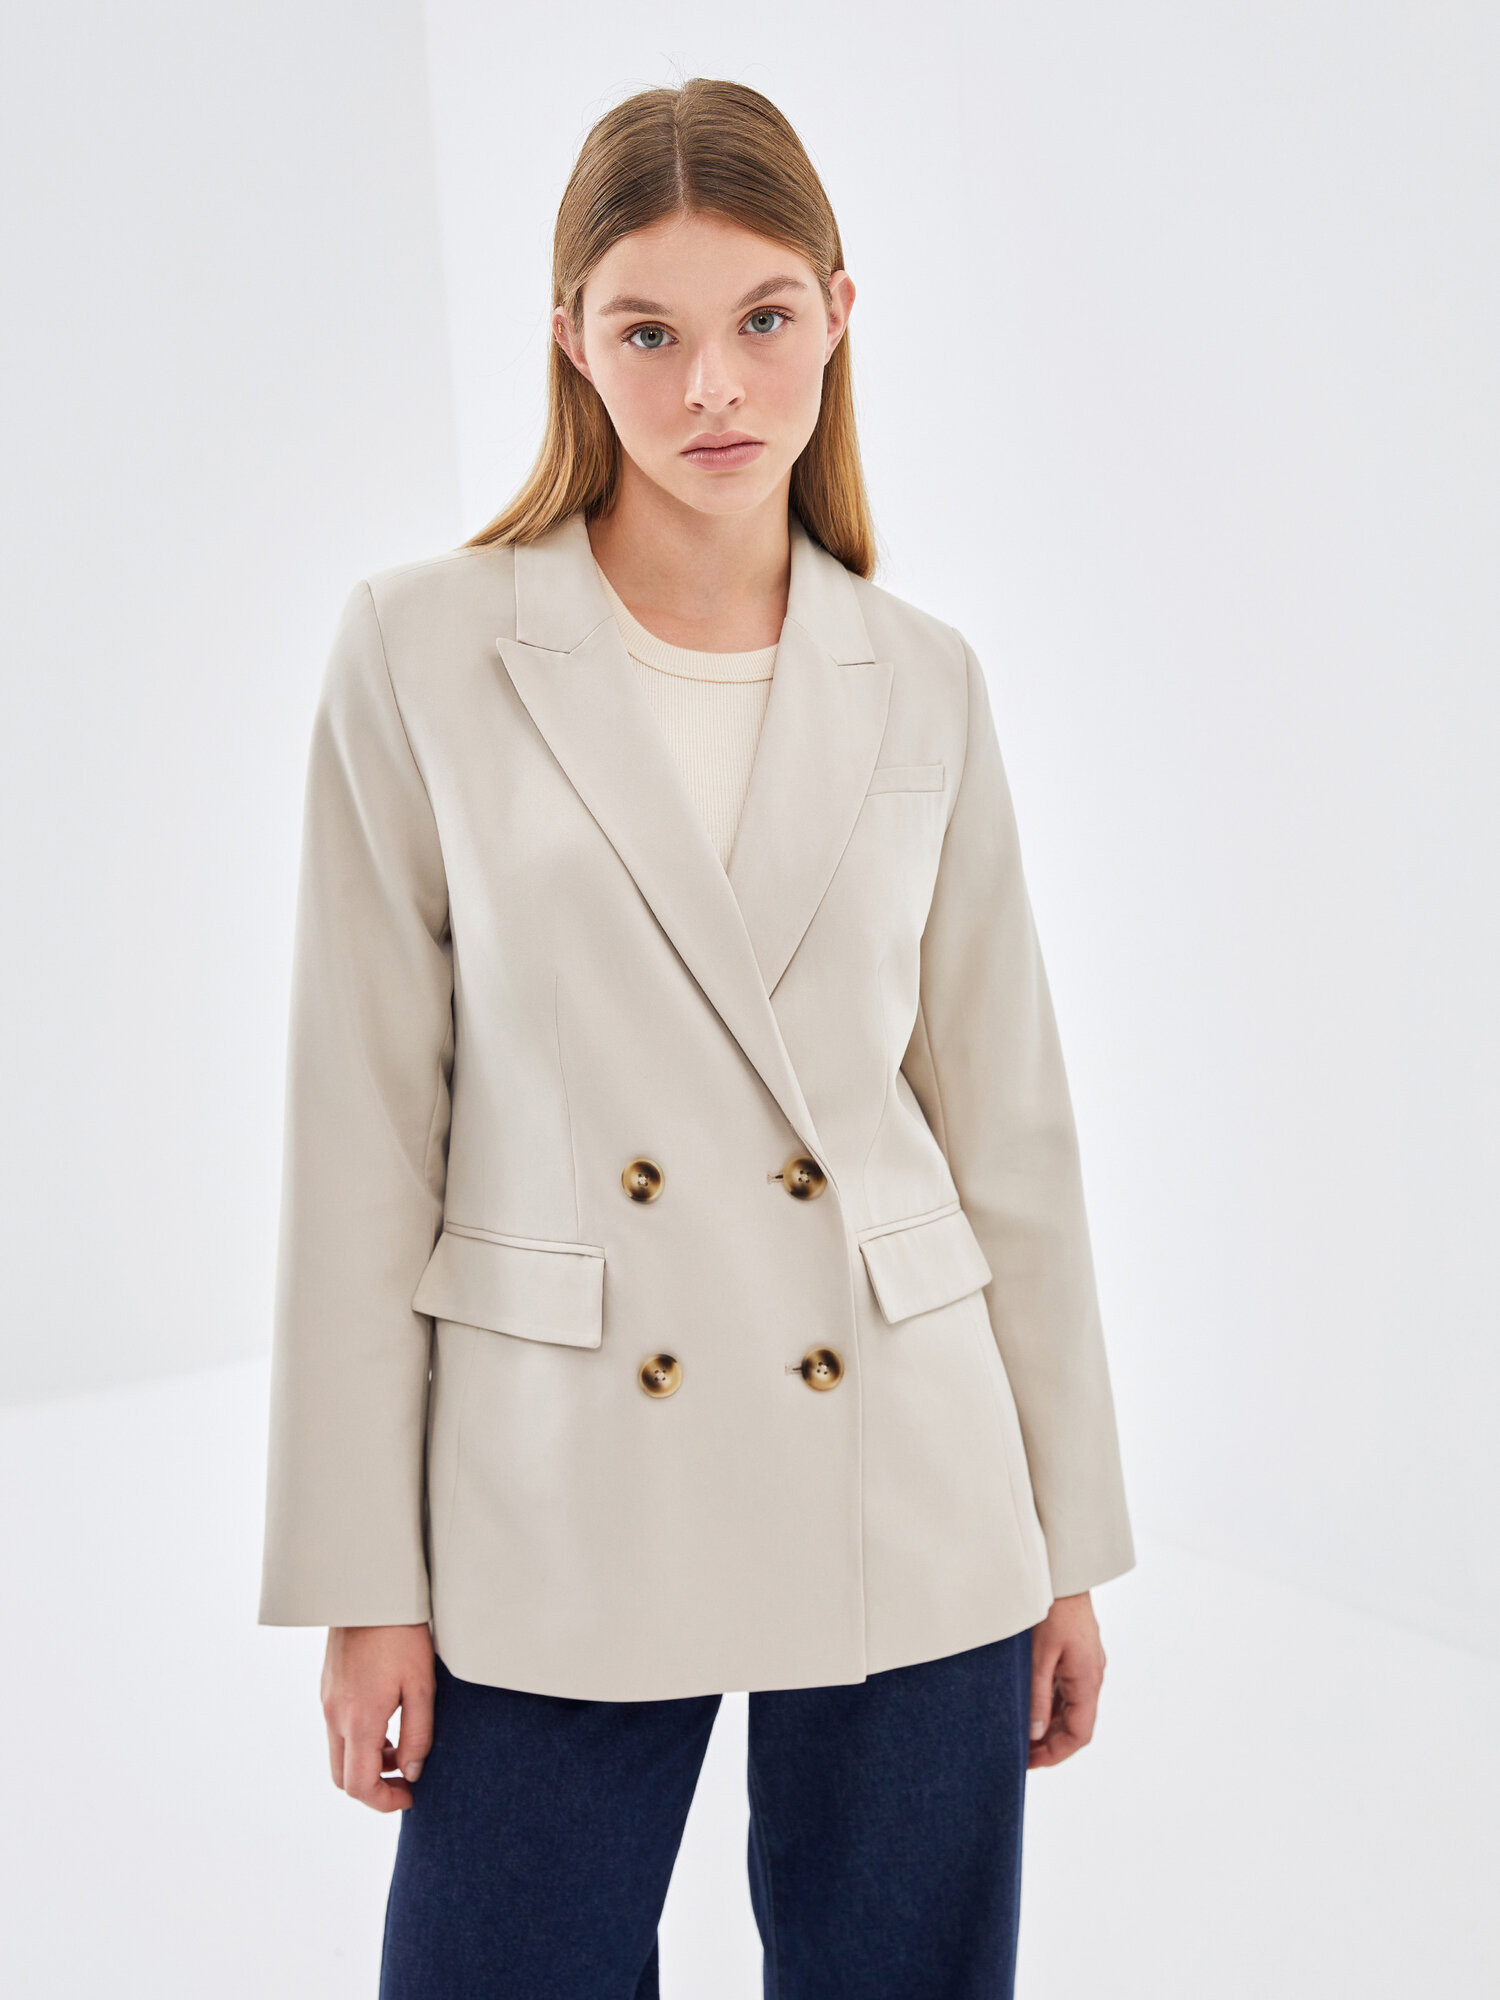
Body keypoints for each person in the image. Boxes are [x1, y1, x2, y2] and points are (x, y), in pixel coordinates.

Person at [259, 75, 1134, 2000]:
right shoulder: (423, 651)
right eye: (649, 330)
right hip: (561, 1476)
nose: (713, 386)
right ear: (571, 339)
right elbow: (360, 1138)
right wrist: (361, 1582)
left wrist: (1065, 1538)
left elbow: (1010, 1129)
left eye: (762, 318)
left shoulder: (923, 680)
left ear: (839, 312)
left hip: (909, 1470)